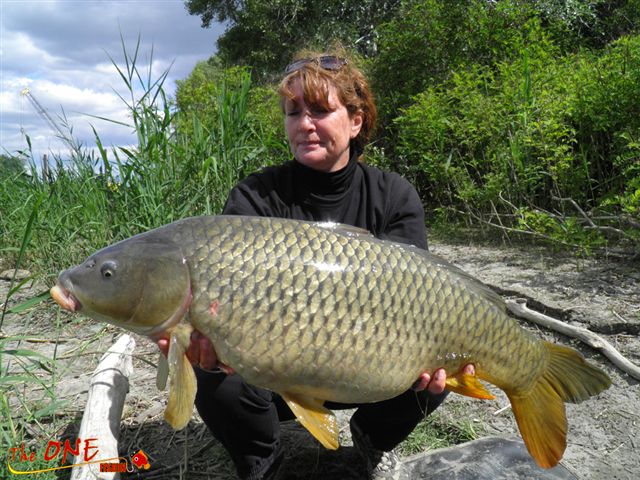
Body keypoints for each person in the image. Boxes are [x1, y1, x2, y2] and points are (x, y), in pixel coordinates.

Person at [157, 49, 474, 480]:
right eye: (293, 112)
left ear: (356, 120)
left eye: (321, 111)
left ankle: (372, 439)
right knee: (207, 360)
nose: (304, 124)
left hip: (371, 372)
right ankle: (260, 457)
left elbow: (414, 298)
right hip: (272, 378)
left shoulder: (394, 196)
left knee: (441, 361)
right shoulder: (255, 197)